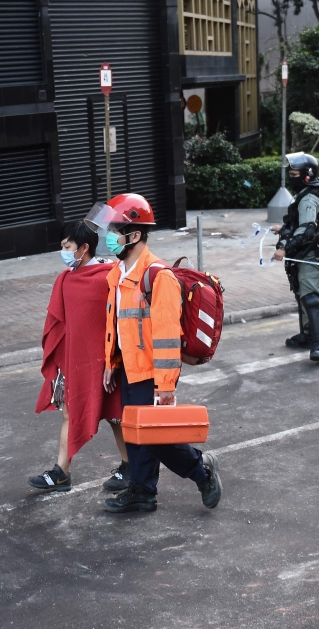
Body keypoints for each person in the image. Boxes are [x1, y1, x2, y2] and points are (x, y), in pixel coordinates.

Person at [86, 193, 222, 514]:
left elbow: (166, 338)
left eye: (114, 231)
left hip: (151, 373)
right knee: (135, 434)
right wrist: (111, 362)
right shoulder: (118, 275)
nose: (108, 238)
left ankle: (202, 471)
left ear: (134, 235)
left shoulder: (158, 277)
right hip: (129, 369)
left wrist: (165, 387)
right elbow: (116, 325)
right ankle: (143, 491)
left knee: (157, 439)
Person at [29, 221, 131, 493]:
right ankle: (61, 473)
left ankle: (129, 467)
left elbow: (119, 321)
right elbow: (60, 325)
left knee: (115, 416)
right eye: (62, 246)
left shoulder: (109, 276)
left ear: (83, 248)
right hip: (75, 362)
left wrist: (114, 360)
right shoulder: (65, 279)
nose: (63, 252)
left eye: (67, 247)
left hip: (107, 363)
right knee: (69, 413)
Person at [270, 152, 319, 363]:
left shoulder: (308, 198)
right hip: (303, 253)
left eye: (294, 173)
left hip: (309, 254)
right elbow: (298, 224)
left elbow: (306, 230)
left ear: (307, 175)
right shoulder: (305, 193)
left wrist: (284, 248)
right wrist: (284, 228)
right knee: (302, 295)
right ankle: (308, 335)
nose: (291, 176)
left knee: (311, 298)